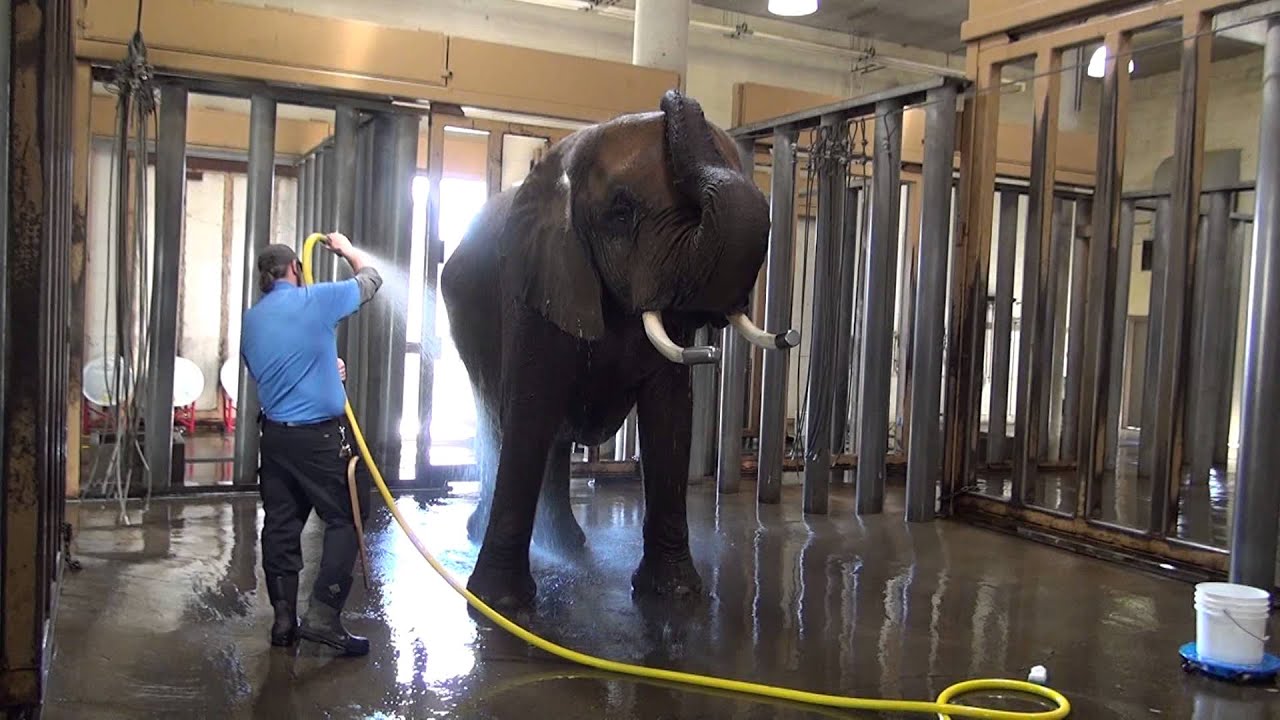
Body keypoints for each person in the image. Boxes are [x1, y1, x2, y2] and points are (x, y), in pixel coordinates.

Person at [240, 232, 382, 656]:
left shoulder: (252, 319)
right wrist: (346, 249)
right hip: (319, 439)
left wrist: (324, 366)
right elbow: (371, 280)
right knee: (346, 517)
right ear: (295, 271)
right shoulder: (315, 301)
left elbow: (268, 369)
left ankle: (284, 622)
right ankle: (323, 618)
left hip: (276, 440)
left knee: (282, 525)